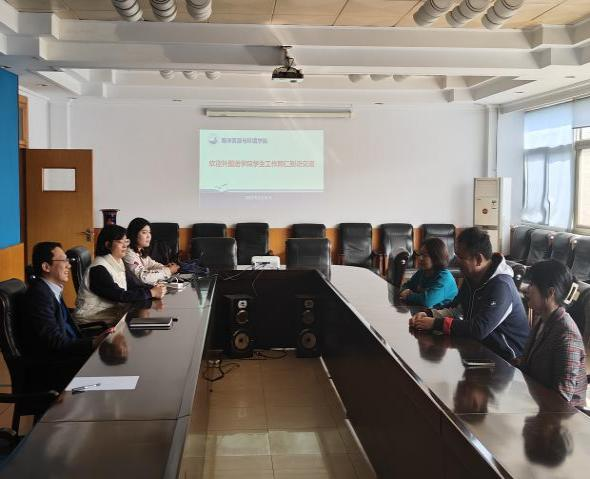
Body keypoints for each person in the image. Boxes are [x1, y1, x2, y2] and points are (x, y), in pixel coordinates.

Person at [409, 227, 529, 362]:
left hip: (507, 360)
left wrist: (435, 324)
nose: (456, 261)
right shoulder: (472, 277)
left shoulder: (501, 286)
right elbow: (457, 308)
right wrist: (429, 314)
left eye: (461, 257)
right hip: (478, 349)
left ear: (478, 259)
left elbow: (479, 329)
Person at [19, 242, 112, 390]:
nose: (69, 265)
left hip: (68, 356)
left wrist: (95, 340)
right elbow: (54, 342)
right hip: (54, 369)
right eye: (64, 260)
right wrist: (93, 343)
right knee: (112, 365)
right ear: (46, 267)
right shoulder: (39, 296)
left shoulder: (51, 289)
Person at [518, 259, 587, 406]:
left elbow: (562, 398)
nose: (526, 290)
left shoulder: (567, 335)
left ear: (550, 293)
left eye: (532, 285)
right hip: (537, 401)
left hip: (562, 415)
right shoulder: (543, 320)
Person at [75, 225, 166, 322]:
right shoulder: (98, 269)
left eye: (126, 241)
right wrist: (151, 292)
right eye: (120, 242)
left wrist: (155, 288)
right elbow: (120, 295)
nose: (125, 246)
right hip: (93, 319)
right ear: (108, 244)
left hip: (110, 313)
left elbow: (133, 285)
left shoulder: (117, 261)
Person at [399, 237, 458, 308]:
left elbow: (427, 301)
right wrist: (404, 291)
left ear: (436, 257)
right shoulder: (422, 271)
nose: (420, 258)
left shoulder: (445, 278)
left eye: (425, 255)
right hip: (424, 311)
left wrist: (408, 296)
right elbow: (407, 285)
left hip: (441, 314)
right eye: (420, 254)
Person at [124, 217, 179, 286]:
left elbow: (152, 265)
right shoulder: (128, 253)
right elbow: (144, 277)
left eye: (149, 232)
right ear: (134, 234)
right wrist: (168, 271)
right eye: (144, 232)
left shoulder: (140, 251)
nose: (148, 236)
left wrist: (166, 267)